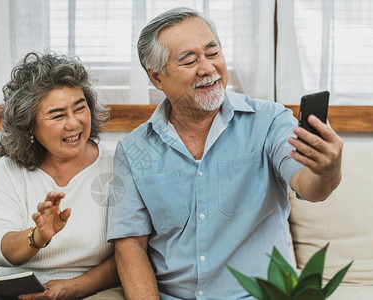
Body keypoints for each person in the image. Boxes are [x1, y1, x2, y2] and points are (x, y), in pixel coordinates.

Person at [107, 7, 343, 300]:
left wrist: (327, 169)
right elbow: (130, 246)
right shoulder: (134, 150)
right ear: (157, 78)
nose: (207, 68)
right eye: (189, 60)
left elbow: (310, 186)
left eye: (212, 52)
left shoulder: (269, 120)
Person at [0, 52, 124, 300]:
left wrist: (75, 287)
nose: (73, 123)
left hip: (86, 289)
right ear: (29, 125)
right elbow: (0, 250)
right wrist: (37, 236)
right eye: (58, 115)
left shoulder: (118, 164)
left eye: (80, 108)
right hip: (10, 290)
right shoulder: (10, 168)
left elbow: (133, 250)